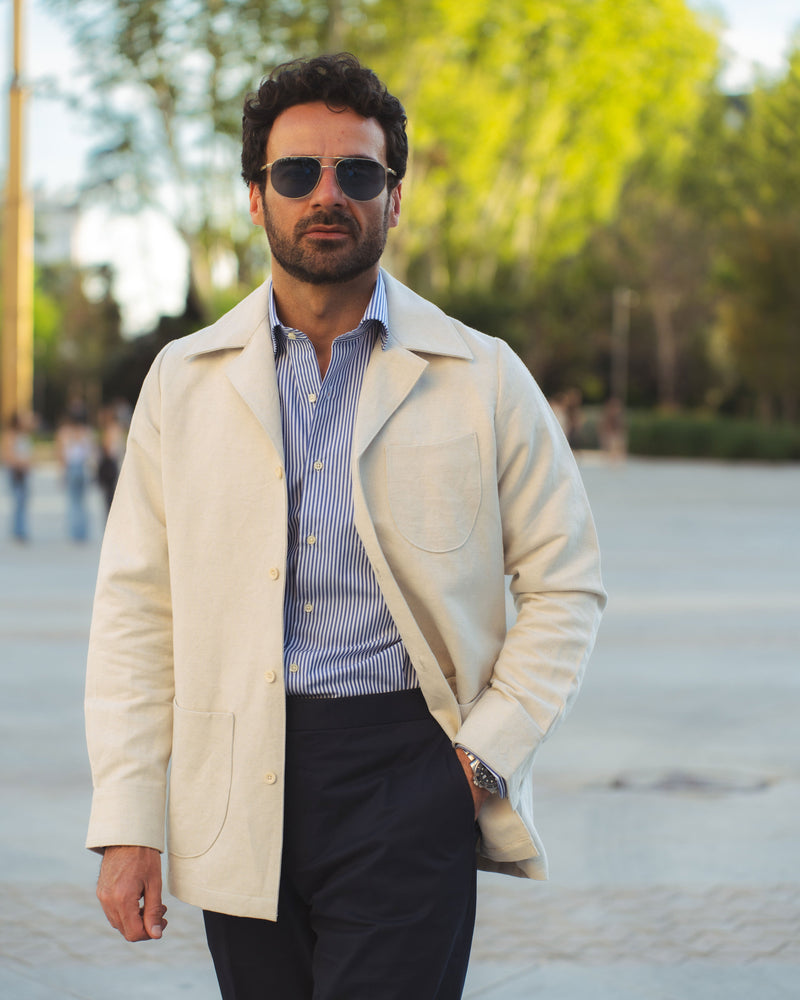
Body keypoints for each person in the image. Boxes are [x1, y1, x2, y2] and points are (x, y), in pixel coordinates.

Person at [86, 53, 606, 1000]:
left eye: (357, 173)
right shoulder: (182, 382)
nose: (327, 195)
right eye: (297, 174)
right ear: (256, 198)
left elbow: (566, 581)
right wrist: (129, 821)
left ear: (393, 200)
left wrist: (476, 763)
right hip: (237, 778)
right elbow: (136, 610)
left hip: (410, 773)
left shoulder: (481, 375)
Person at [57, 403, 94, 542]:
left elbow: (61, 454)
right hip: (82, 467)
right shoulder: (86, 431)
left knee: (73, 502)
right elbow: (90, 452)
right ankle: (82, 532)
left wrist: (61, 473)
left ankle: (74, 532)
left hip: (72, 467)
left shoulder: (64, 432)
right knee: (82, 501)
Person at [2, 411, 34, 542]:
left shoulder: (23, 435)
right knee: (18, 500)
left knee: (22, 501)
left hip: (23, 472)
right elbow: (6, 455)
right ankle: (18, 531)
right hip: (15, 472)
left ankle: (20, 529)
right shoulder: (9, 436)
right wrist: (20, 463)